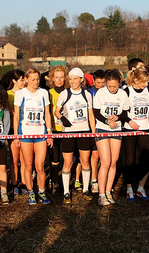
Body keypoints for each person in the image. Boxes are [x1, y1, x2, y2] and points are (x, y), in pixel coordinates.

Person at [55, 67, 95, 204]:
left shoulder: (87, 94)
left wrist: (93, 133)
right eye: (70, 79)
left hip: (84, 131)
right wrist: (62, 118)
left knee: (85, 161)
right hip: (68, 132)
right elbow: (56, 111)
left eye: (75, 79)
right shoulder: (65, 94)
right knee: (68, 162)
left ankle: (85, 189)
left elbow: (90, 114)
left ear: (81, 79)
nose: (72, 82)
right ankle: (66, 191)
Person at [13, 68, 53, 205]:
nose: (36, 82)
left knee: (40, 165)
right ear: (26, 80)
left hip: (40, 133)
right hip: (25, 134)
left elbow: (47, 113)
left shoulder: (43, 93)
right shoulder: (20, 94)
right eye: (33, 79)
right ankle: (31, 192)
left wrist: (49, 132)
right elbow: (17, 115)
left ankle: (41, 191)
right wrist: (16, 135)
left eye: (38, 79)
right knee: (28, 166)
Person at [93, 69, 128, 205]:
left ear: (119, 83)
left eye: (115, 86)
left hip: (117, 129)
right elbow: (96, 112)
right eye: (110, 86)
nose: (112, 89)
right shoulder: (101, 93)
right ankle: (101, 194)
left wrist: (117, 117)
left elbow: (125, 113)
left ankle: (108, 191)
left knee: (114, 161)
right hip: (103, 128)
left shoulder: (123, 94)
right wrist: (107, 121)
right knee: (106, 162)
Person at [122, 68, 149, 202]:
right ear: (135, 80)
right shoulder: (126, 91)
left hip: (145, 129)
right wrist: (130, 121)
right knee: (130, 160)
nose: (146, 84)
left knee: (146, 159)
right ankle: (129, 189)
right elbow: (122, 112)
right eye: (143, 82)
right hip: (130, 129)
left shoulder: (148, 91)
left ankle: (141, 188)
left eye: (147, 81)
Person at [2, 69, 26, 196]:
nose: (23, 82)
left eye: (24, 79)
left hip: (26, 129)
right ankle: (15, 183)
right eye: (21, 80)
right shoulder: (7, 94)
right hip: (12, 129)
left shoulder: (27, 93)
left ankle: (25, 183)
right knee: (14, 159)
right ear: (14, 81)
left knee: (25, 159)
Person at [48, 65, 69, 194]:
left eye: (62, 77)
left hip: (67, 129)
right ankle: (54, 181)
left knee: (68, 158)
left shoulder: (69, 92)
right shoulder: (49, 93)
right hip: (54, 129)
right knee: (54, 158)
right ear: (52, 79)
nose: (59, 80)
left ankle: (68, 181)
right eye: (57, 77)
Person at [88, 69, 106, 193]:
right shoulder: (89, 93)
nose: (101, 85)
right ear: (93, 81)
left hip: (105, 126)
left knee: (104, 157)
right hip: (91, 127)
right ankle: (93, 180)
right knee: (94, 155)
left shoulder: (107, 92)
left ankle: (103, 180)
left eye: (103, 82)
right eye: (98, 82)